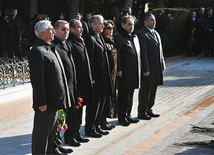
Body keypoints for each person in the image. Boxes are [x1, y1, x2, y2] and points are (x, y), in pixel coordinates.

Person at [28, 20, 71, 154]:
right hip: (46, 103)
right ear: (42, 33)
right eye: (50, 29)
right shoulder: (37, 51)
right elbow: (37, 81)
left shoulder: (49, 47)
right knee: (41, 136)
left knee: (51, 134)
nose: (53, 31)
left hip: (55, 100)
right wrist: (41, 102)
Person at [52, 20, 80, 151]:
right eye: (63, 29)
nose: (66, 32)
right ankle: (56, 145)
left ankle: (62, 141)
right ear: (55, 30)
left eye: (68, 29)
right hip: (62, 91)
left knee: (64, 118)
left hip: (71, 88)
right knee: (59, 120)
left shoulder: (66, 45)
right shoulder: (54, 46)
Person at [66, 19, 93, 145]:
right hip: (75, 83)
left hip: (82, 82)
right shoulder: (70, 42)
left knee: (79, 109)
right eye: (78, 27)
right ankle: (70, 135)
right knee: (73, 111)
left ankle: (77, 133)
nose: (81, 29)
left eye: (82, 27)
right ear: (71, 29)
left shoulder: (80, 40)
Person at [84, 15, 112, 137]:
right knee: (94, 104)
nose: (102, 26)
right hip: (97, 78)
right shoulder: (89, 38)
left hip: (104, 77)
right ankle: (90, 128)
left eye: (102, 24)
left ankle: (97, 125)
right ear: (93, 25)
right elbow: (90, 60)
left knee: (101, 103)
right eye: (100, 24)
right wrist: (92, 77)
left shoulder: (99, 37)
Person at [137, 13, 166, 120]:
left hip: (156, 67)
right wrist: (145, 69)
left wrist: (162, 65)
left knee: (153, 89)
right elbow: (143, 53)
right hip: (148, 68)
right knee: (145, 90)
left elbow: (160, 51)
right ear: (145, 22)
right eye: (151, 20)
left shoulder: (156, 33)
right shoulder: (142, 34)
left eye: (154, 20)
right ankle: (142, 111)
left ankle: (149, 109)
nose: (154, 22)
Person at [114, 15, 140, 126]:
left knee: (130, 94)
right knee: (123, 95)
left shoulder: (133, 36)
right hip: (124, 72)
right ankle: (122, 117)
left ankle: (128, 115)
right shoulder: (118, 37)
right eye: (129, 24)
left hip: (133, 71)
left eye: (133, 25)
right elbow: (117, 55)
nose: (131, 27)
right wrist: (118, 69)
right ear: (123, 24)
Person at [100, 20, 117, 130]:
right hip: (105, 75)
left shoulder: (112, 40)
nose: (111, 30)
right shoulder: (102, 41)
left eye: (112, 28)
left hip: (113, 74)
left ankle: (105, 120)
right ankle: (100, 121)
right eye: (108, 28)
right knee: (104, 100)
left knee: (110, 98)